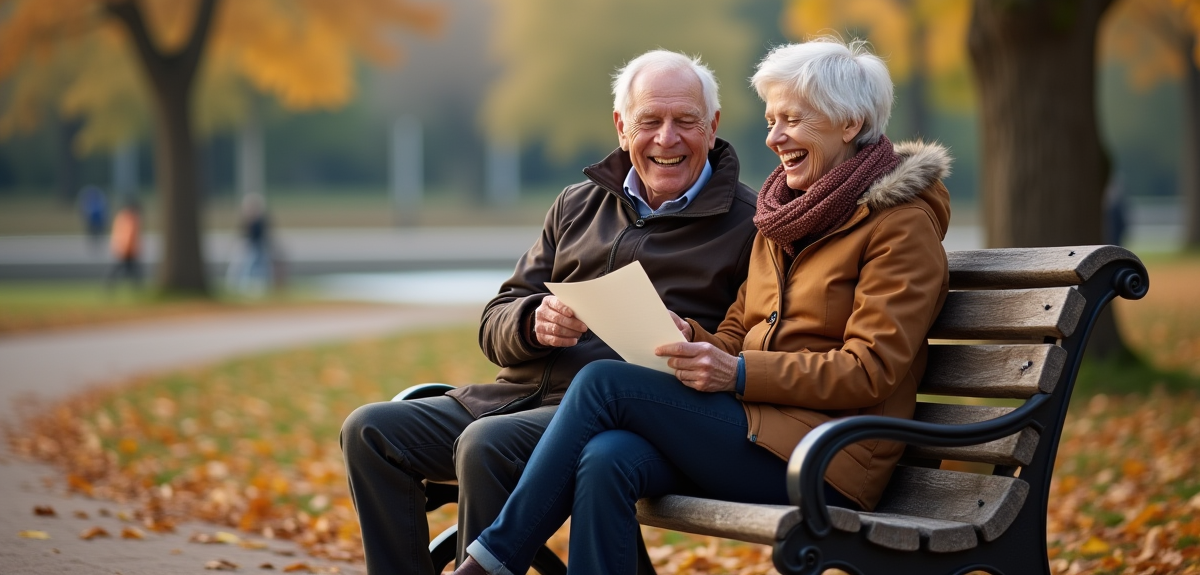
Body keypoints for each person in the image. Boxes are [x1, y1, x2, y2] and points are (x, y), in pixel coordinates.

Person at [452, 37, 953, 575]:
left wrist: (736, 373)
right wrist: (687, 335)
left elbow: (868, 371)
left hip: (827, 460)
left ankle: (489, 563)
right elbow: (737, 331)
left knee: (603, 382)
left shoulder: (900, 228)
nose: (774, 137)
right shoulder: (787, 217)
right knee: (606, 458)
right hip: (759, 430)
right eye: (770, 120)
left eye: (791, 120)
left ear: (849, 124)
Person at [340, 50, 760, 575]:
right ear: (621, 127)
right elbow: (496, 318)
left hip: (619, 420)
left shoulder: (750, 224)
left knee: (484, 445)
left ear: (713, 125)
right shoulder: (576, 205)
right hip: (511, 397)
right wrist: (533, 320)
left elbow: (747, 343)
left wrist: (691, 339)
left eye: (685, 122)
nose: (666, 139)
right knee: (370, 431)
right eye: (649, 121)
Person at [107, 197, 142, 288]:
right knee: (130, 270)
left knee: (131, 270)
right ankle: (137, 288)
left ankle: (137, 287)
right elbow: (128, 235)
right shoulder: (128, 218)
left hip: (126, 249)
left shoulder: (125, 217)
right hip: (125, 249)